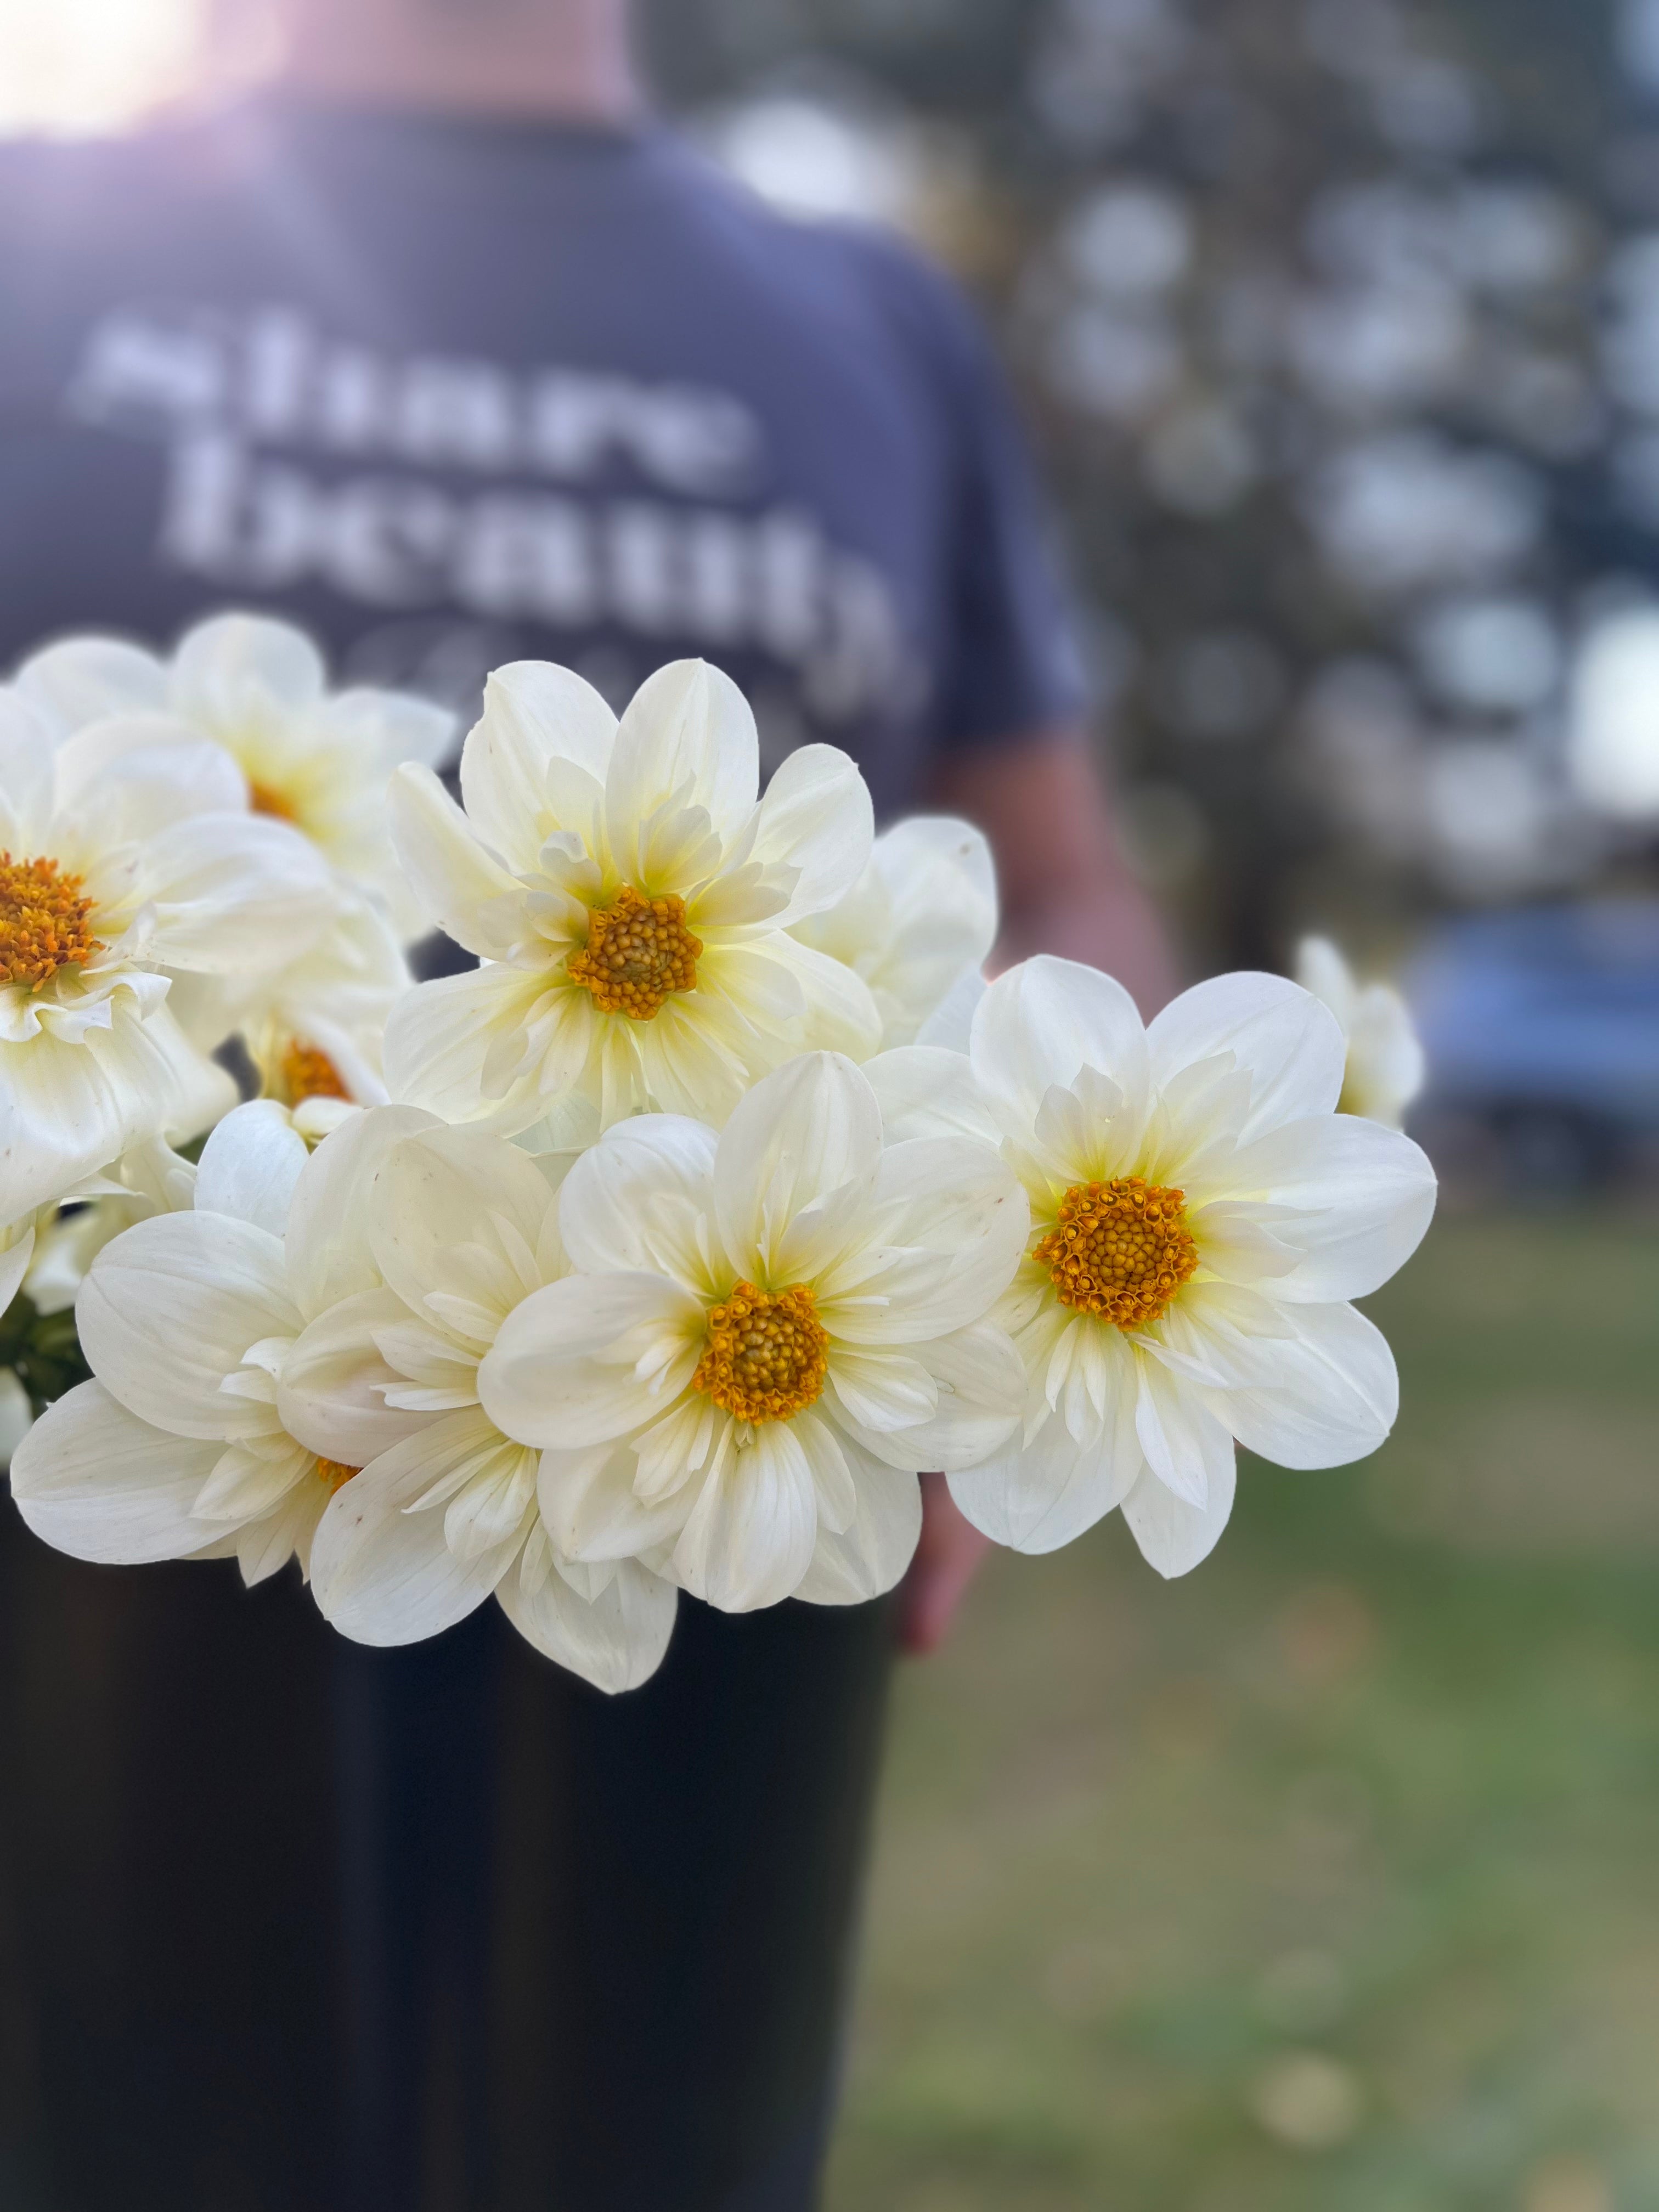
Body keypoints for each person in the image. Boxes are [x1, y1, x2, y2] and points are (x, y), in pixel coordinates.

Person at [0, 4, 1179, 2205]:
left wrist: (1034, 1236)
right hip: (136, 1430)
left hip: (725, 1469)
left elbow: (1057, 877)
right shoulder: (35, 210)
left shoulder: (877, 322)